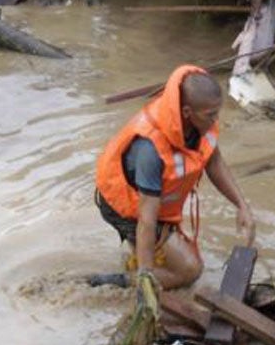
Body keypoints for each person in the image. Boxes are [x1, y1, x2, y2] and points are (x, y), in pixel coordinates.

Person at [94, 65, 255, 290]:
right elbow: (147, 220)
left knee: (160, 257)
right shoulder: (150, 149)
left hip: (149, 199)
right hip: (123, 205)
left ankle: (139, 263)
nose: (216, 120)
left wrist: (241, 205)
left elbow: (213, 160)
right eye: (211, 115)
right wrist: (146, 275)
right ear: (188, 112)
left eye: (217, 113)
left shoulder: (201, 123)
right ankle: (115, 283)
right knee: (189, 269)